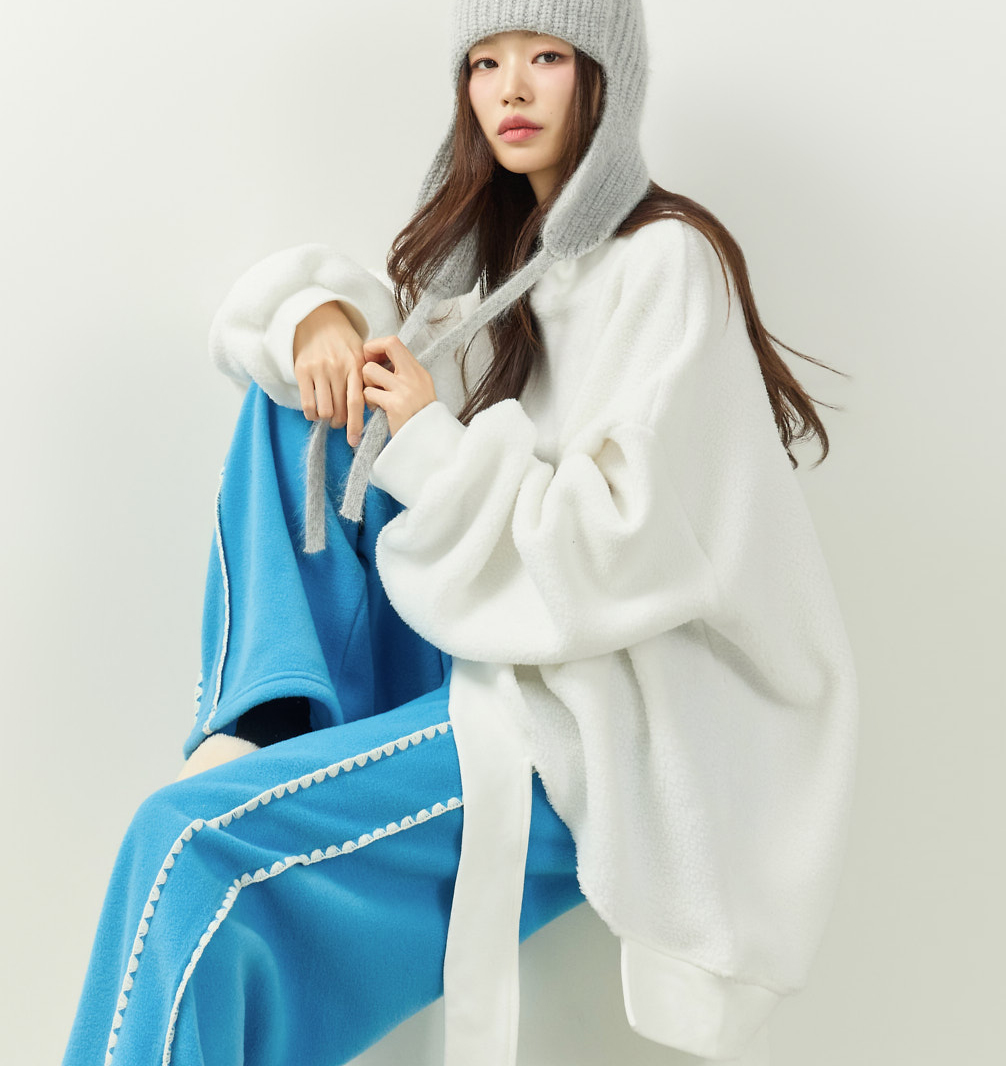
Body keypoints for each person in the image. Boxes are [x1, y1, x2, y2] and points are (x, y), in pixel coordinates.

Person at [62, 1, 859, 1064]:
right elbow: (286, 329)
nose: (510, 90)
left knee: (181, 844)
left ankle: (269, 758)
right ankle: (264, 720)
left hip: (600, 714)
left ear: (604, 79)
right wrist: (319, 321)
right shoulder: (491, 277)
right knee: (301, 392)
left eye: (545, 57)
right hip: (495, 650)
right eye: (484, 63)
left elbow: (620, 546)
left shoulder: (667, 261)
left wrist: (431, 441)